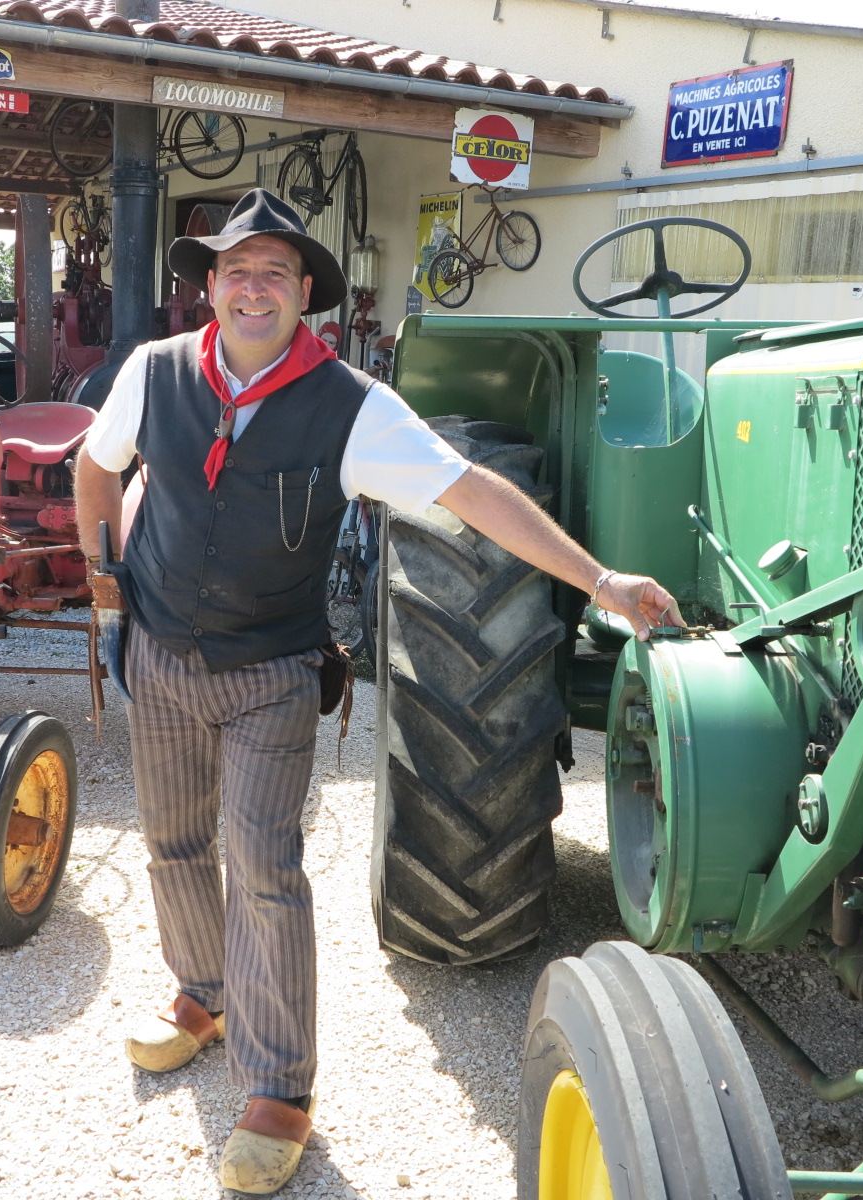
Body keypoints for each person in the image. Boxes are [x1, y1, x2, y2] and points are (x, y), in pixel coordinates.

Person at [74, 189, 683, 1194]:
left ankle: (277, 1088)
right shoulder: (152, 375)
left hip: (272, 670)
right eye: (235, 271)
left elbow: (477, 493)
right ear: (209, 289)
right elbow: (96, 470)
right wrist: (105, 590)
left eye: (274, 271)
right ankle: (201, 994)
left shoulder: (354, 406)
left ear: (305, 292)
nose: (253, 288)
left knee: (263, 865)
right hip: (162, 653)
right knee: (172, 842)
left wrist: (600, 582)